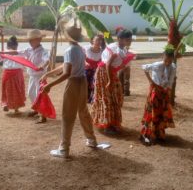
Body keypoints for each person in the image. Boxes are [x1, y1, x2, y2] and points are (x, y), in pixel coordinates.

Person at [41, 23, 97, 159]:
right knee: (83, 111)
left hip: (73, 83)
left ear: (67, 36)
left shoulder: (69, 50)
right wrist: (49, 74)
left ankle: (64, 148)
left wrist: (50, 85)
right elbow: (65, 66)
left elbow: (66, 73)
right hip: (82, 81)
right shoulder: (80, 49)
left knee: (68, 115)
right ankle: (92, 140)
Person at [0, 29, 50, 123]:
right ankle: (37, 109)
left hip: (40, 76)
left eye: (32, 40)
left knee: (40, 94)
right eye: (29, 40)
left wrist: (42, 66)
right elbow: (17, 52)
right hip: (32, 75)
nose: (30, 42)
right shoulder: (29, 50)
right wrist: (4, 53)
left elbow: (47, 60)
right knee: (31, 93)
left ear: (39, 40)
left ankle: (42, 115)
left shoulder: (44, 51)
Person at [91, 29, 133, 135]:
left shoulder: (122, 48)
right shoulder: (114, 49)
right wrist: (110, 80)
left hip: (111, 74)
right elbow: (108, 65)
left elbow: (117, 65)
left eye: (130, 39)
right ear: (119, 39)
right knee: (107, 99)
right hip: (104, 74)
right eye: (127, 39)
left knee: (116, 97)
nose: (129, 41)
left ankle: (113, 123)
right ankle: (107, 126)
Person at [139, 50, 176, 146]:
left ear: (173, 59)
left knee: (162, 113)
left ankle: (159, 133)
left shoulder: (173, 67)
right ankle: (149, 133)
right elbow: (144, 68)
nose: (168, 62)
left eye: (170, 60)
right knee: (152, 111)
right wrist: (151, 82)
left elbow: (171, 80)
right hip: (155, 91)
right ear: (162, 57)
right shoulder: (157, 65)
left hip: (164, 92)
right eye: (166, 60)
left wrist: (168, 92)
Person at [0, 36, 25, 113]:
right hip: (17, 75)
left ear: (7, 46)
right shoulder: (19, 53)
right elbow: (27, 61)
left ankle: (6, 104)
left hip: (8, 74)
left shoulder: (5, 53)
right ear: (16, 45)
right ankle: (16, 108)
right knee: (16, 91)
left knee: (7, 90)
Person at [84, 35, 105, 103]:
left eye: (100, 40)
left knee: (94, 84)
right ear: (93, 41)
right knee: (86, 84)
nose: (99, 42)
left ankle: (92, 98)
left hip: (96, 70)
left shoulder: (102, 51)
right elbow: (82, 57)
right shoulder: (87, 48)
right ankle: (85, 98)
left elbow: (103, 61)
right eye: (97, 40)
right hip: (87, 69)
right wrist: (85, 63)